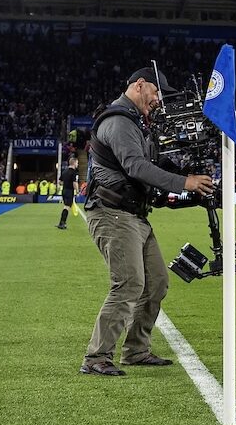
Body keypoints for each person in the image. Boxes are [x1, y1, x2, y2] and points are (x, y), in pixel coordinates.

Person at [80, 67, 215, 377]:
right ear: (139, 86)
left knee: (156, 282)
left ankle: (136, 351)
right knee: (128, 284)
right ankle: (96, 357)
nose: (158, 100)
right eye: (156, 93)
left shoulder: (137, 125)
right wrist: (185, 182)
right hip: (112, 214)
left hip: (133, 216)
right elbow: (136, 166)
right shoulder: (119, 121)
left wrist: (193, 185)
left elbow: (154, 165)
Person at [56, 156, 79, 230]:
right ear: (74, 163)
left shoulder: (65, 171)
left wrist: (66, 183)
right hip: (69, 191)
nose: (77, 165)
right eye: (77, 163)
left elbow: (60, 182)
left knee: (65, 206)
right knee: (67, 207)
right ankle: (62, 223)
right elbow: (74, 183)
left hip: (64, 190)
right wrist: (77, 191)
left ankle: (61, 222)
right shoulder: (73, 172)